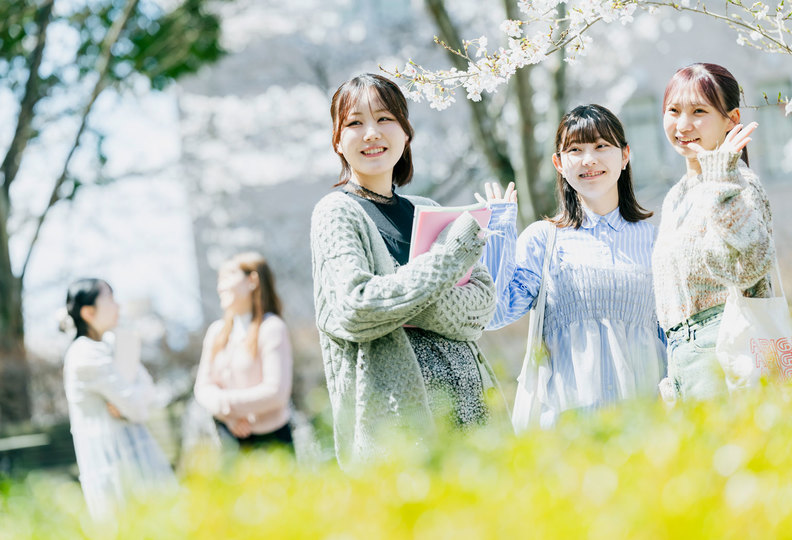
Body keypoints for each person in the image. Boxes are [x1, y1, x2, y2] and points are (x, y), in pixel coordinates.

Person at [310, 73, 501, 466]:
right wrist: (446, 263)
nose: (371, 133)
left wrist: (404, 297)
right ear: (337, 141)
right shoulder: (336, 212)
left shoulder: (427, 208)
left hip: (471, 411)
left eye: (384, 119)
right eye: (354, 123)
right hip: (395, 427)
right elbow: (358, 307)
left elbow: (481, 308)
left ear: (405, 132)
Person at [480, 104, 666, 428]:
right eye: (575, 150)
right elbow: (495, 314)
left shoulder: (654, 240)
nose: (588, 160)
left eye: (601, 146)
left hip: (646, 420)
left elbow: (671, 333)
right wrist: (498, 235)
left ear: (624, 156)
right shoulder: (543, 240)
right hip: (568, 424)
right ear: (559, 163)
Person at [653, 63, 773, 402]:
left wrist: (721, 181)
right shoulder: (677, 195)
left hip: (727, 355)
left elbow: (747, 268)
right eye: (673, 111)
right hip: (683, 365)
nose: (683, 125)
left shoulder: (740, 185)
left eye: (699, 111)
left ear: (731, 119)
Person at [62, 278, 174, 521]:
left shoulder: (113, 343)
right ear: (88, 312)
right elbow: (136, 407)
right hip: (112, 466)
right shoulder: (84, 354)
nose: (118, 306)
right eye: (110, 299)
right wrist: (133, 406)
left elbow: (147, 390)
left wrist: (132, 405)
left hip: (134, 457)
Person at [194, 252, 294, 451]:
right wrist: (228, 416)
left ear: (252, 280)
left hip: (271, 444)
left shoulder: (272, 328)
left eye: (228, 278)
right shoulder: (216, 332)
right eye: (219, 280)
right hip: (229, 442)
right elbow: (202, 387)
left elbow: (276, 392)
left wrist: (226, 406)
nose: (220, 286)